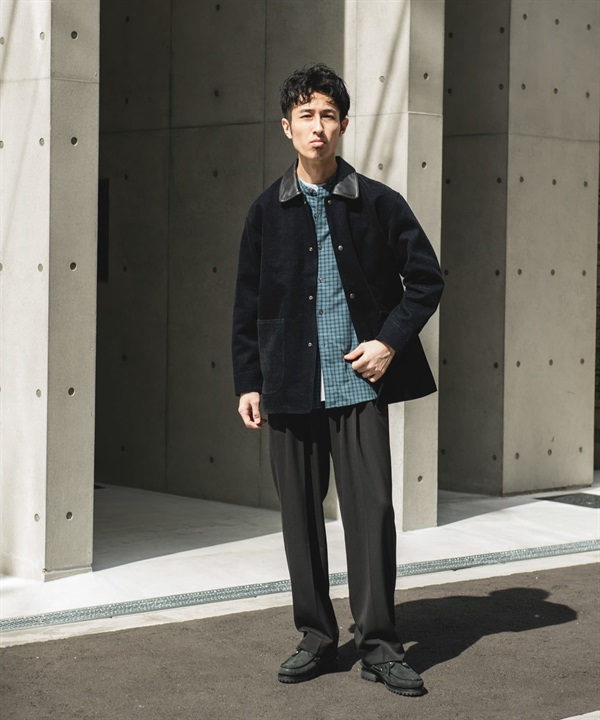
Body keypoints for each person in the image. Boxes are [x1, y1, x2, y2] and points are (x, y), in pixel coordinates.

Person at [232, 64, 443, 697]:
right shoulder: (265, 211)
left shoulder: (377, 202)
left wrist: (387, 342)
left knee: (372, 515)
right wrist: (249, 380)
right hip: (289, 385)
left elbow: (426, 279)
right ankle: (317, 636)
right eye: (306, 116)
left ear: (343, 124)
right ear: (287, 127)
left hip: (357, 386)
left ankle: (379, 645)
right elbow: (247, 303)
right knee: (299, 519)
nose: (317, 127)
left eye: (328, 115)